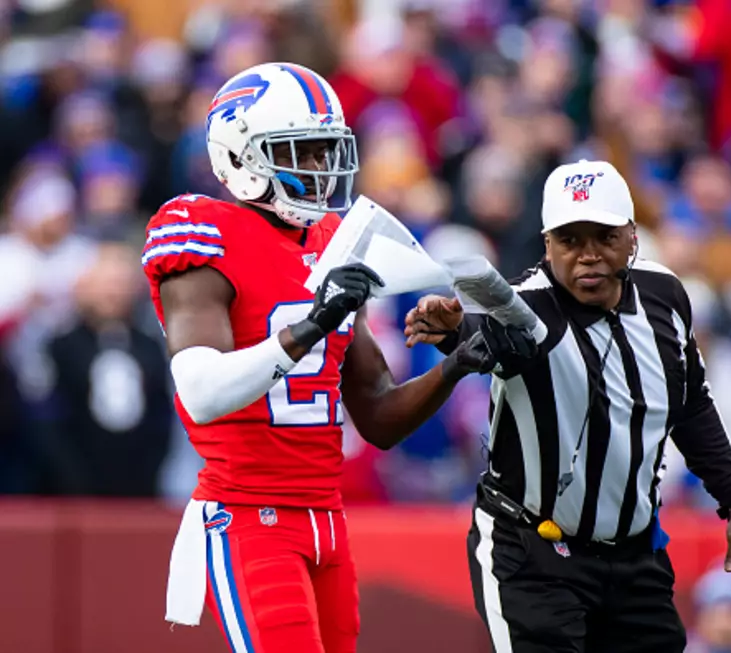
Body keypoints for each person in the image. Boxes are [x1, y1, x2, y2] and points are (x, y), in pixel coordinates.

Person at [144, 62, 535, 653]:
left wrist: (457, 364)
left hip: (327, 515)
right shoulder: (203, 229)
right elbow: (200, 392)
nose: (321, 171)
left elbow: (376, 415)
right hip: (251, 514)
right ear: (240, 156)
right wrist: (311, 326)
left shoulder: (331, 240)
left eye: (328, 151)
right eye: (301, 153)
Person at [405, 159, 731, 653]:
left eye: (603, 236)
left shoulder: (665, 296)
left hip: (634, 554)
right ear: (547, 245)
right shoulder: (527, 308)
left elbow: (690, 405)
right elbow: (488, 334)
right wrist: (451, 331)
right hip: (532, 553)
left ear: (632, 236)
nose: (589, 256)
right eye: (571, 240)